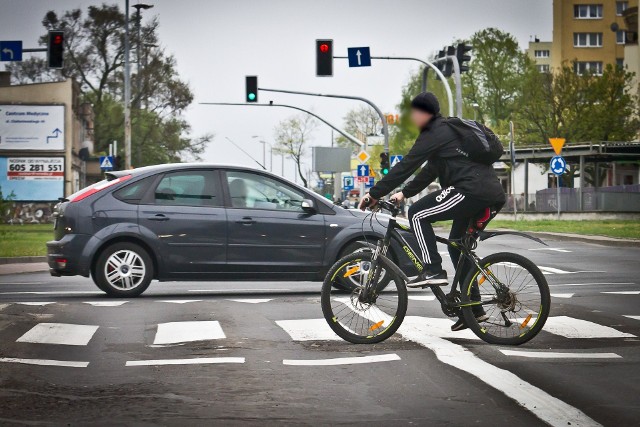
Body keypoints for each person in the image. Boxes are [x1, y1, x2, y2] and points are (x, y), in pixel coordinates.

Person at [359, 91, 506, 331]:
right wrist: (403, 194)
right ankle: (474, 310)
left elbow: (407, 165)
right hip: (486, 193)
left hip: (470, 191)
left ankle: (433, 270)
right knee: (457, 245)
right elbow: (429, 170)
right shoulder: (444, 134)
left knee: (417, 214)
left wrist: (374, 193)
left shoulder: (433, 133)